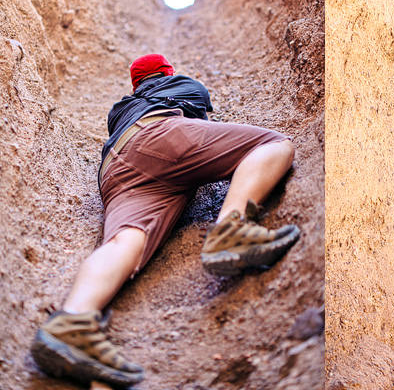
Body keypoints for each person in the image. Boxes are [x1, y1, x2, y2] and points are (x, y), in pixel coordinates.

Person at [30, 54, 300, 387]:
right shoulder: (179, 84)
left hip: (115, 169)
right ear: (165, 72)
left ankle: (72, 322)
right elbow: (201, 116)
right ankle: (232, 228)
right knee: (275, 144)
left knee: (125, 240)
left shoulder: (121, 111)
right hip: (157, 136)